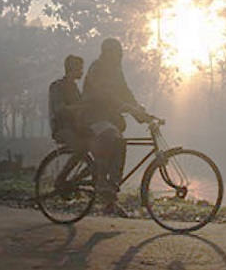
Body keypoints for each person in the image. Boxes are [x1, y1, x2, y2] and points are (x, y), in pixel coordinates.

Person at [82, 37, 151, 216]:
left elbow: (124, 91)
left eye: (120, 53)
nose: (119, 56)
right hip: (93, 116)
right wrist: (125, 107)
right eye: (116, 52)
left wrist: (137, 110)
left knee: (119, 143)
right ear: (107, 53)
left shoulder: (116, 70)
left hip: (109, 118)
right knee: (116, 141)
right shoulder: (97, 68)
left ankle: (110, 198)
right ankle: (104, 183)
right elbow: (105, 94)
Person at [48, 54, 91, 152]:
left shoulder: (74, 88)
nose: (82, 72)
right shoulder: (57, 86)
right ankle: (68, 168)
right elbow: (59, 109)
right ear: (72, 68)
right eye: (80, 69)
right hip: (62, 128)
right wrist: (79, 107)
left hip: (75, 126)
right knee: (82, 148)